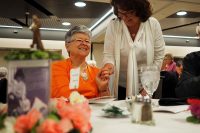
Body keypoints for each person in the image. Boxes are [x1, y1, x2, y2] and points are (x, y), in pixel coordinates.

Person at [100, 0, 165, 99]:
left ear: (140, 10)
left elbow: (158, 57)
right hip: (119, 84)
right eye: (121, 13)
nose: (125, 17)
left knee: (142, 113)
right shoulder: (113, 25)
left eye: (130, 13)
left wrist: (148, 85)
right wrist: (109, 65)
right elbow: (109, 55)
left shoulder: (153, 25)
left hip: (145, 84)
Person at [51, 25, 110, 99]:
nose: (84, 43)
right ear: (67, 45)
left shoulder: (97, 72)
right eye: (79, 40)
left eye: (87, 41)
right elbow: (64, 96)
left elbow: (106, 103)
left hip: (94, 110)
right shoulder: (57, 67)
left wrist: (103, 89)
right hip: (70, 109)